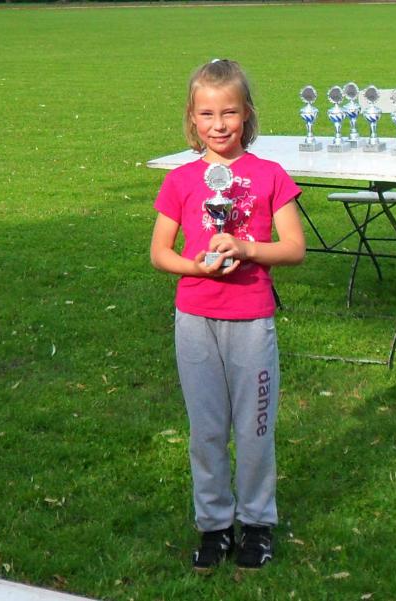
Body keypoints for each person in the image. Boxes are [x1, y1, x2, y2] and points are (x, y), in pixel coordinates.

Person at [150, 59, 305, 572]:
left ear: (247, 114)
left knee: (255, 429)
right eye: (207, 114)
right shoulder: (181, 180)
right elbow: (160, 253)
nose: (218, 125)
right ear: (192, 118)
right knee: (207, 431)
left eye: (229, 113)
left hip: (251, 319)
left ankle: (257, 524)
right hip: (195, 319)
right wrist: (196, 266)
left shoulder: (270, 175)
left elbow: (294, 248)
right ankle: (214, 525)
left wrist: (246, 248)